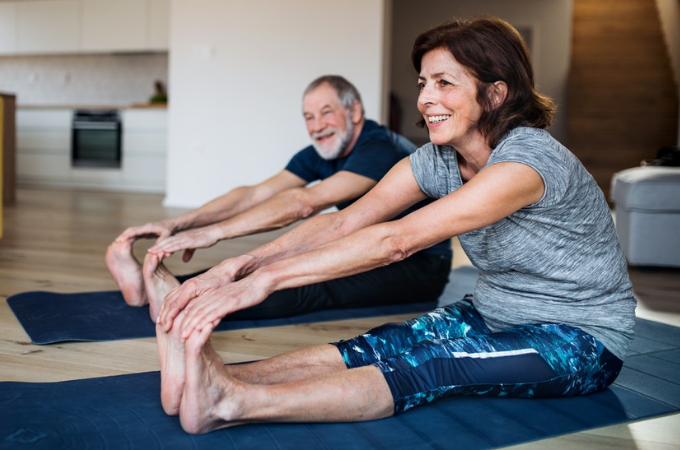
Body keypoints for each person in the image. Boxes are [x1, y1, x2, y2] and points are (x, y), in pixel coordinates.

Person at [153, 16, 637, 434]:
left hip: (580, 336)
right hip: (493, 311)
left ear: (494, 94)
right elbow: (345, 223)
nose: (427, 98)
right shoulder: (436, 160)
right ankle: (216, 378)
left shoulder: (527, 163)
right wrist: (235, 267)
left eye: (445, 83)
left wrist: (260, 284)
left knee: (432, 365)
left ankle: (231, 404)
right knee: (379, 344)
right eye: (424, 83)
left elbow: (396, 240)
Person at [106, 75, 452, 322]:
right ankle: (173, 289)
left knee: (306, 281)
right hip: (365, 244)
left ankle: (177, 299)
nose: (317, 125)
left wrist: (215, 233)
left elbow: (305, 202)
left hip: (416, 266)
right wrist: (178, 223)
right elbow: (256, 193)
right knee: (277, 264)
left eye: (326, 112)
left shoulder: (379, 147)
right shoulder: (324, 149)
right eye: (308, 117)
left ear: (355, 112)